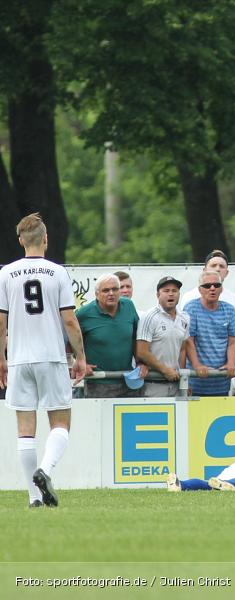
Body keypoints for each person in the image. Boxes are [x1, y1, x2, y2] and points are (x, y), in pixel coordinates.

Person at [0, 213, 87, 508]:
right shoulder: (58, 273)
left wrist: (1, 358)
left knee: (25, 430)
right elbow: (70, 321)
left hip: (19, 359)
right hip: (50, 356)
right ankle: (45, 471)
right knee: (60, 422)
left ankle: (34, 497)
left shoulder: (6, 274)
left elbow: (1, 324)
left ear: (20, 241)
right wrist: (80, 357)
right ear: (46, 239)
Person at [76, 273, 141, 398]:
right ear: (97, 294)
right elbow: (68, 340)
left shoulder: (129, 306)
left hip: (128, 380)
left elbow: (136, 337)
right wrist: (80, 362)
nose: (111, 293)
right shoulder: (84, 314)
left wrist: (141, 362)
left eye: (115, 289)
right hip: (98, 382)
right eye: (106, 290)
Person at [184, 271, 235, 397]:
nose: (212, 288)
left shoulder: (230, 309)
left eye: (216, 285)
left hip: (222, 381)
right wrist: (197, 365)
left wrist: (231, 363)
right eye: (207, 286)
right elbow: (188, 341)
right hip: (196, 381)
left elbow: (233, 342)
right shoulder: (190, 308)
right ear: (200, 290)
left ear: (221, 289)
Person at [135, 276, 190, 397]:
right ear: (157, 295)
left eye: (174, 291)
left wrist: (182, 378)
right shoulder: (149, 317)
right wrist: (165, 370)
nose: (171, 294)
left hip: (176, 384)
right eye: (166, 291)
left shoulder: (185, 318)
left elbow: (182, 349)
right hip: (153, 384)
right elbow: (141, 351)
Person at [180, 250, 235, 330]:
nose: (217, 269)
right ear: (204, 270)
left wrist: (220, 337)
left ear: (227, 273)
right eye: (213, 265)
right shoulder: (190, 296)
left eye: (221, 266)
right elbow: (186, 326)